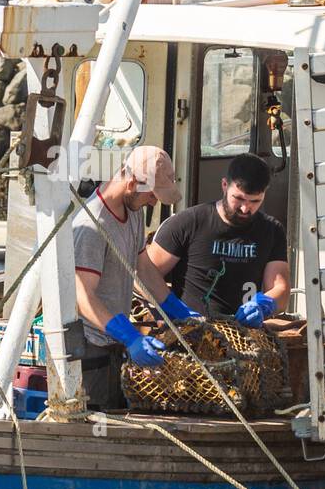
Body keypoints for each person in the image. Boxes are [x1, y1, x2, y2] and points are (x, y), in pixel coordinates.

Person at [72, 145, 200, 409]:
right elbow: (82, 298)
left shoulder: (133, 212)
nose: (154, 202)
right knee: (97, 425)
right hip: (89, 350)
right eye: (152, 194)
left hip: (115, 345)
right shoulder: (91, 225)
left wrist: (177, 309)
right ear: (131, 183)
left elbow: (143, 268)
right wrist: (130, 336)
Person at [140, 152, 290, 327]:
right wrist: (172, 306)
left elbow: (281, 289)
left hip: (245, 333)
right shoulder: (188, 223)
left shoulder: (272, 230)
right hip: (192, 330)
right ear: (225, 185)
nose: (244, 208)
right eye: (239, 198)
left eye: (254, 201)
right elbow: (143, 275)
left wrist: (266, 305)